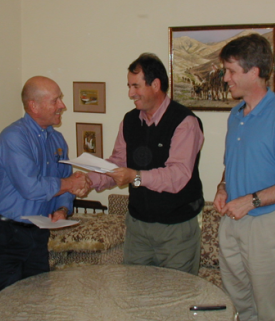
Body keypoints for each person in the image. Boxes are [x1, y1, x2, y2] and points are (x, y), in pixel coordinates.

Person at [213, 34, 275, 321]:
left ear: (253, 72)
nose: (225, 78)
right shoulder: (235, 115)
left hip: (266, 227)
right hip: (231, 223)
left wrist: (251, 201)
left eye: (231, 71)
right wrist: (223, 187)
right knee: (238, 308)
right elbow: (231, 164)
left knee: (271, 313)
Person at [86, 53, 205, 275]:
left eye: (136, 86)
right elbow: (118, 161)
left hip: (176, 229)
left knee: (176, 298)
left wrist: (135, 177)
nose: (130, 93)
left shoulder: (185, 122)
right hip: (138, 227)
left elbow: (178, 175)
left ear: (156, 84)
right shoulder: (130, 120)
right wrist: (88, 180)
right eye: (129, 86)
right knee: (137, 295)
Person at [0, 76, 89, 303]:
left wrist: (62, 210)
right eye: (55, 100)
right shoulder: (13, 137)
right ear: (34, 106)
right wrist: (70, 184)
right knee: (6, 306)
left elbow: (64, 180)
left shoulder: (57, 140)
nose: (62, 106)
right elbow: (31, 187)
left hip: (36, 235)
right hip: (4, 236)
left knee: (37, 304)